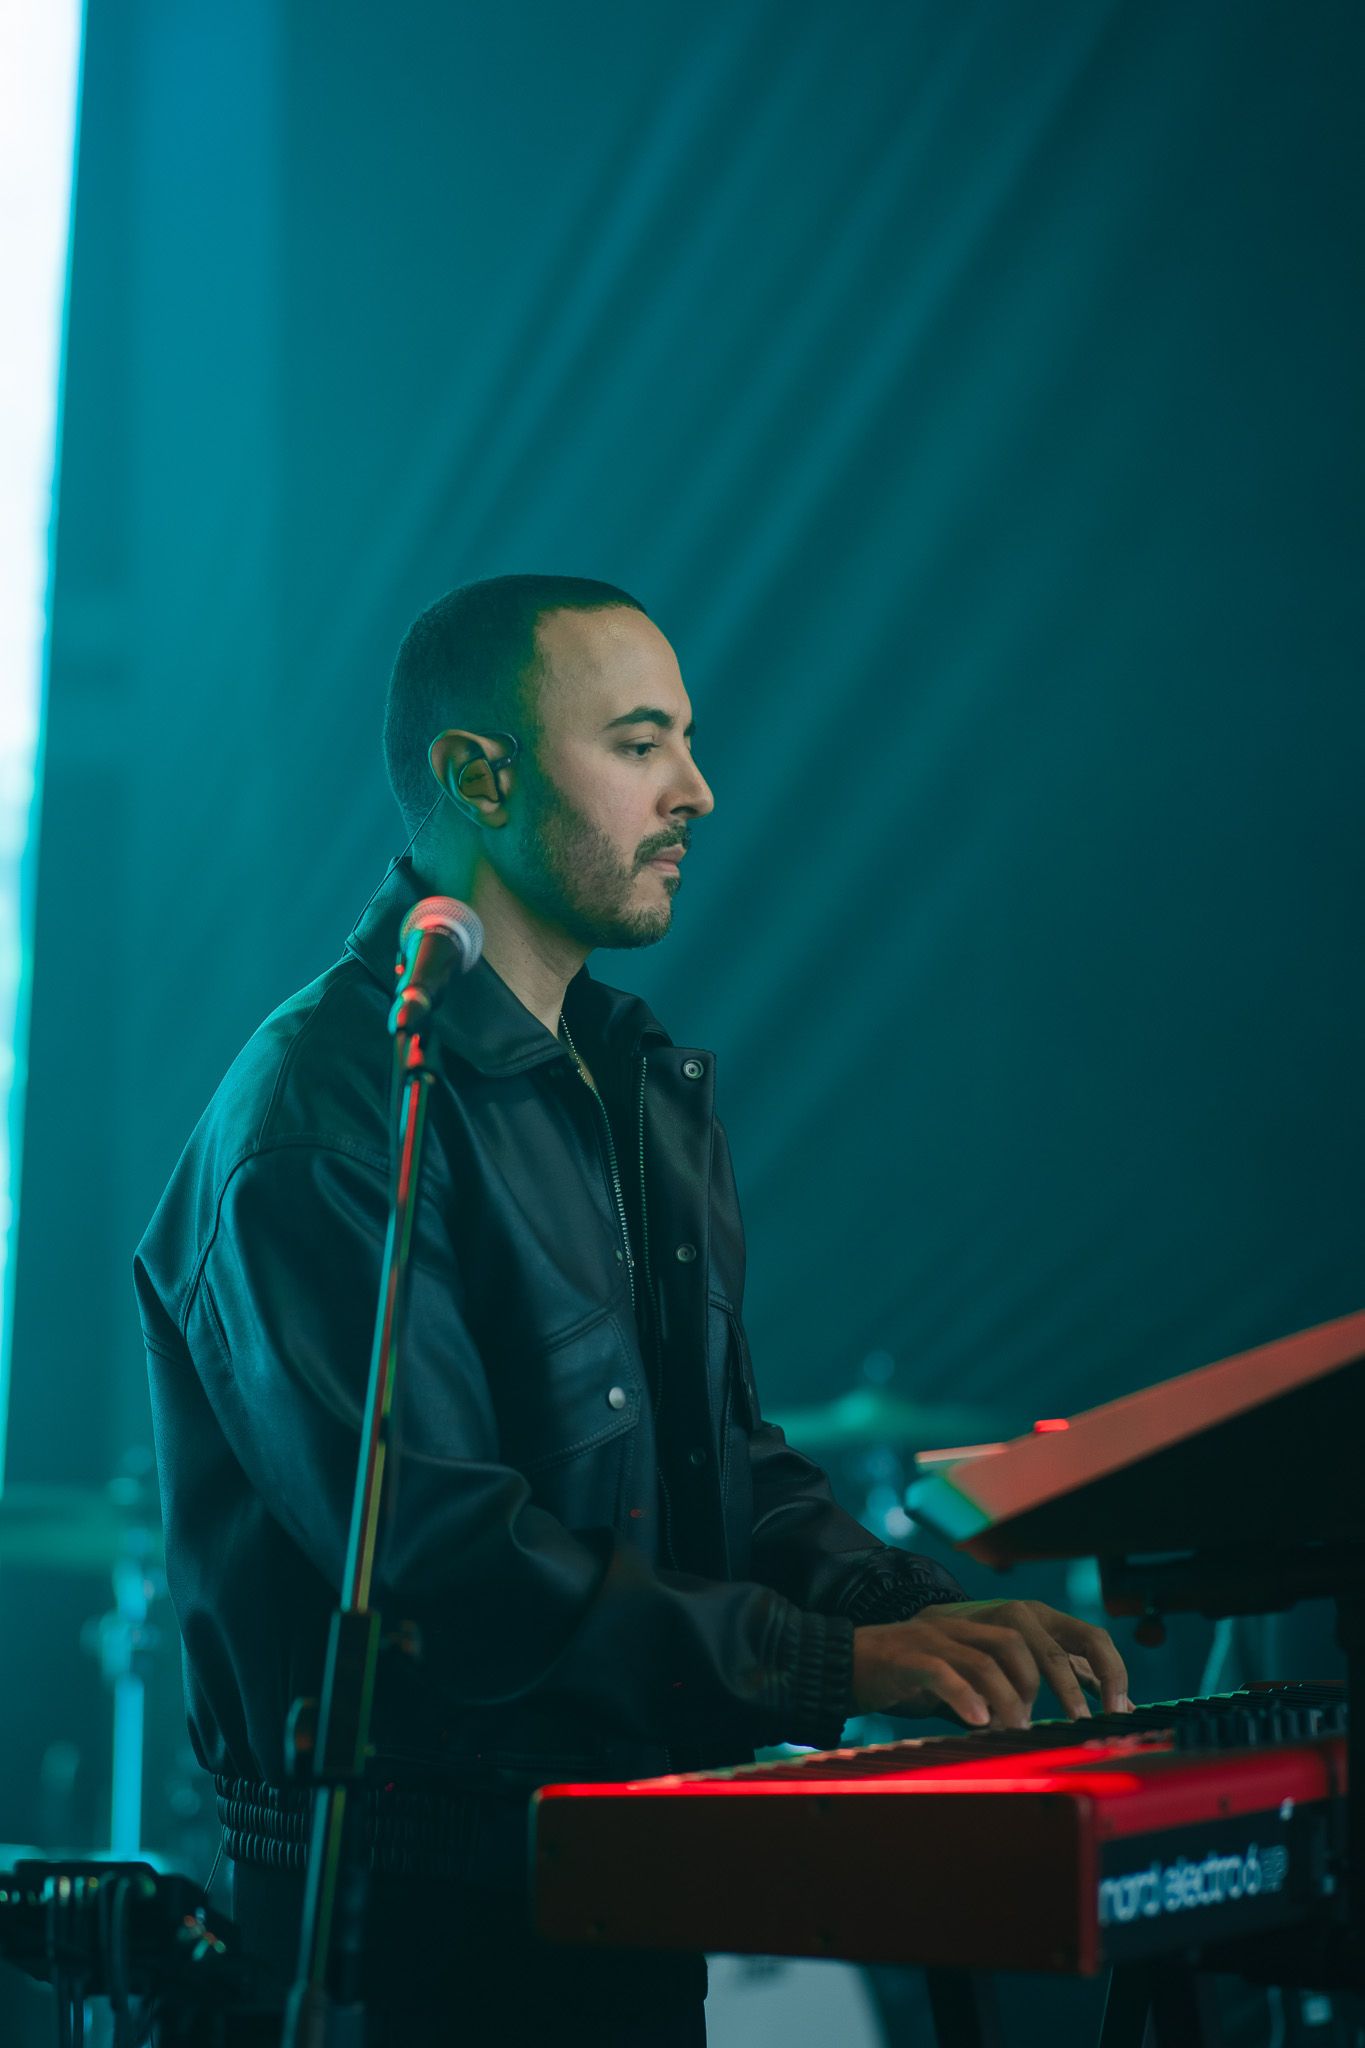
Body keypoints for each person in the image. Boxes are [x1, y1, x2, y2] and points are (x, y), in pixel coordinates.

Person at [135, 574, 1131, 2044]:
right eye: (640, 742)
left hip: (617, 1880)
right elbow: (446, 1562)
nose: (698, 791)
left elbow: (717, 1469)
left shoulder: (624, 1086)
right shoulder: (322, 1115)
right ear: (483, 773)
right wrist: (829, 1667)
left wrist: (919, 1617)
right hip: (404, 1943)